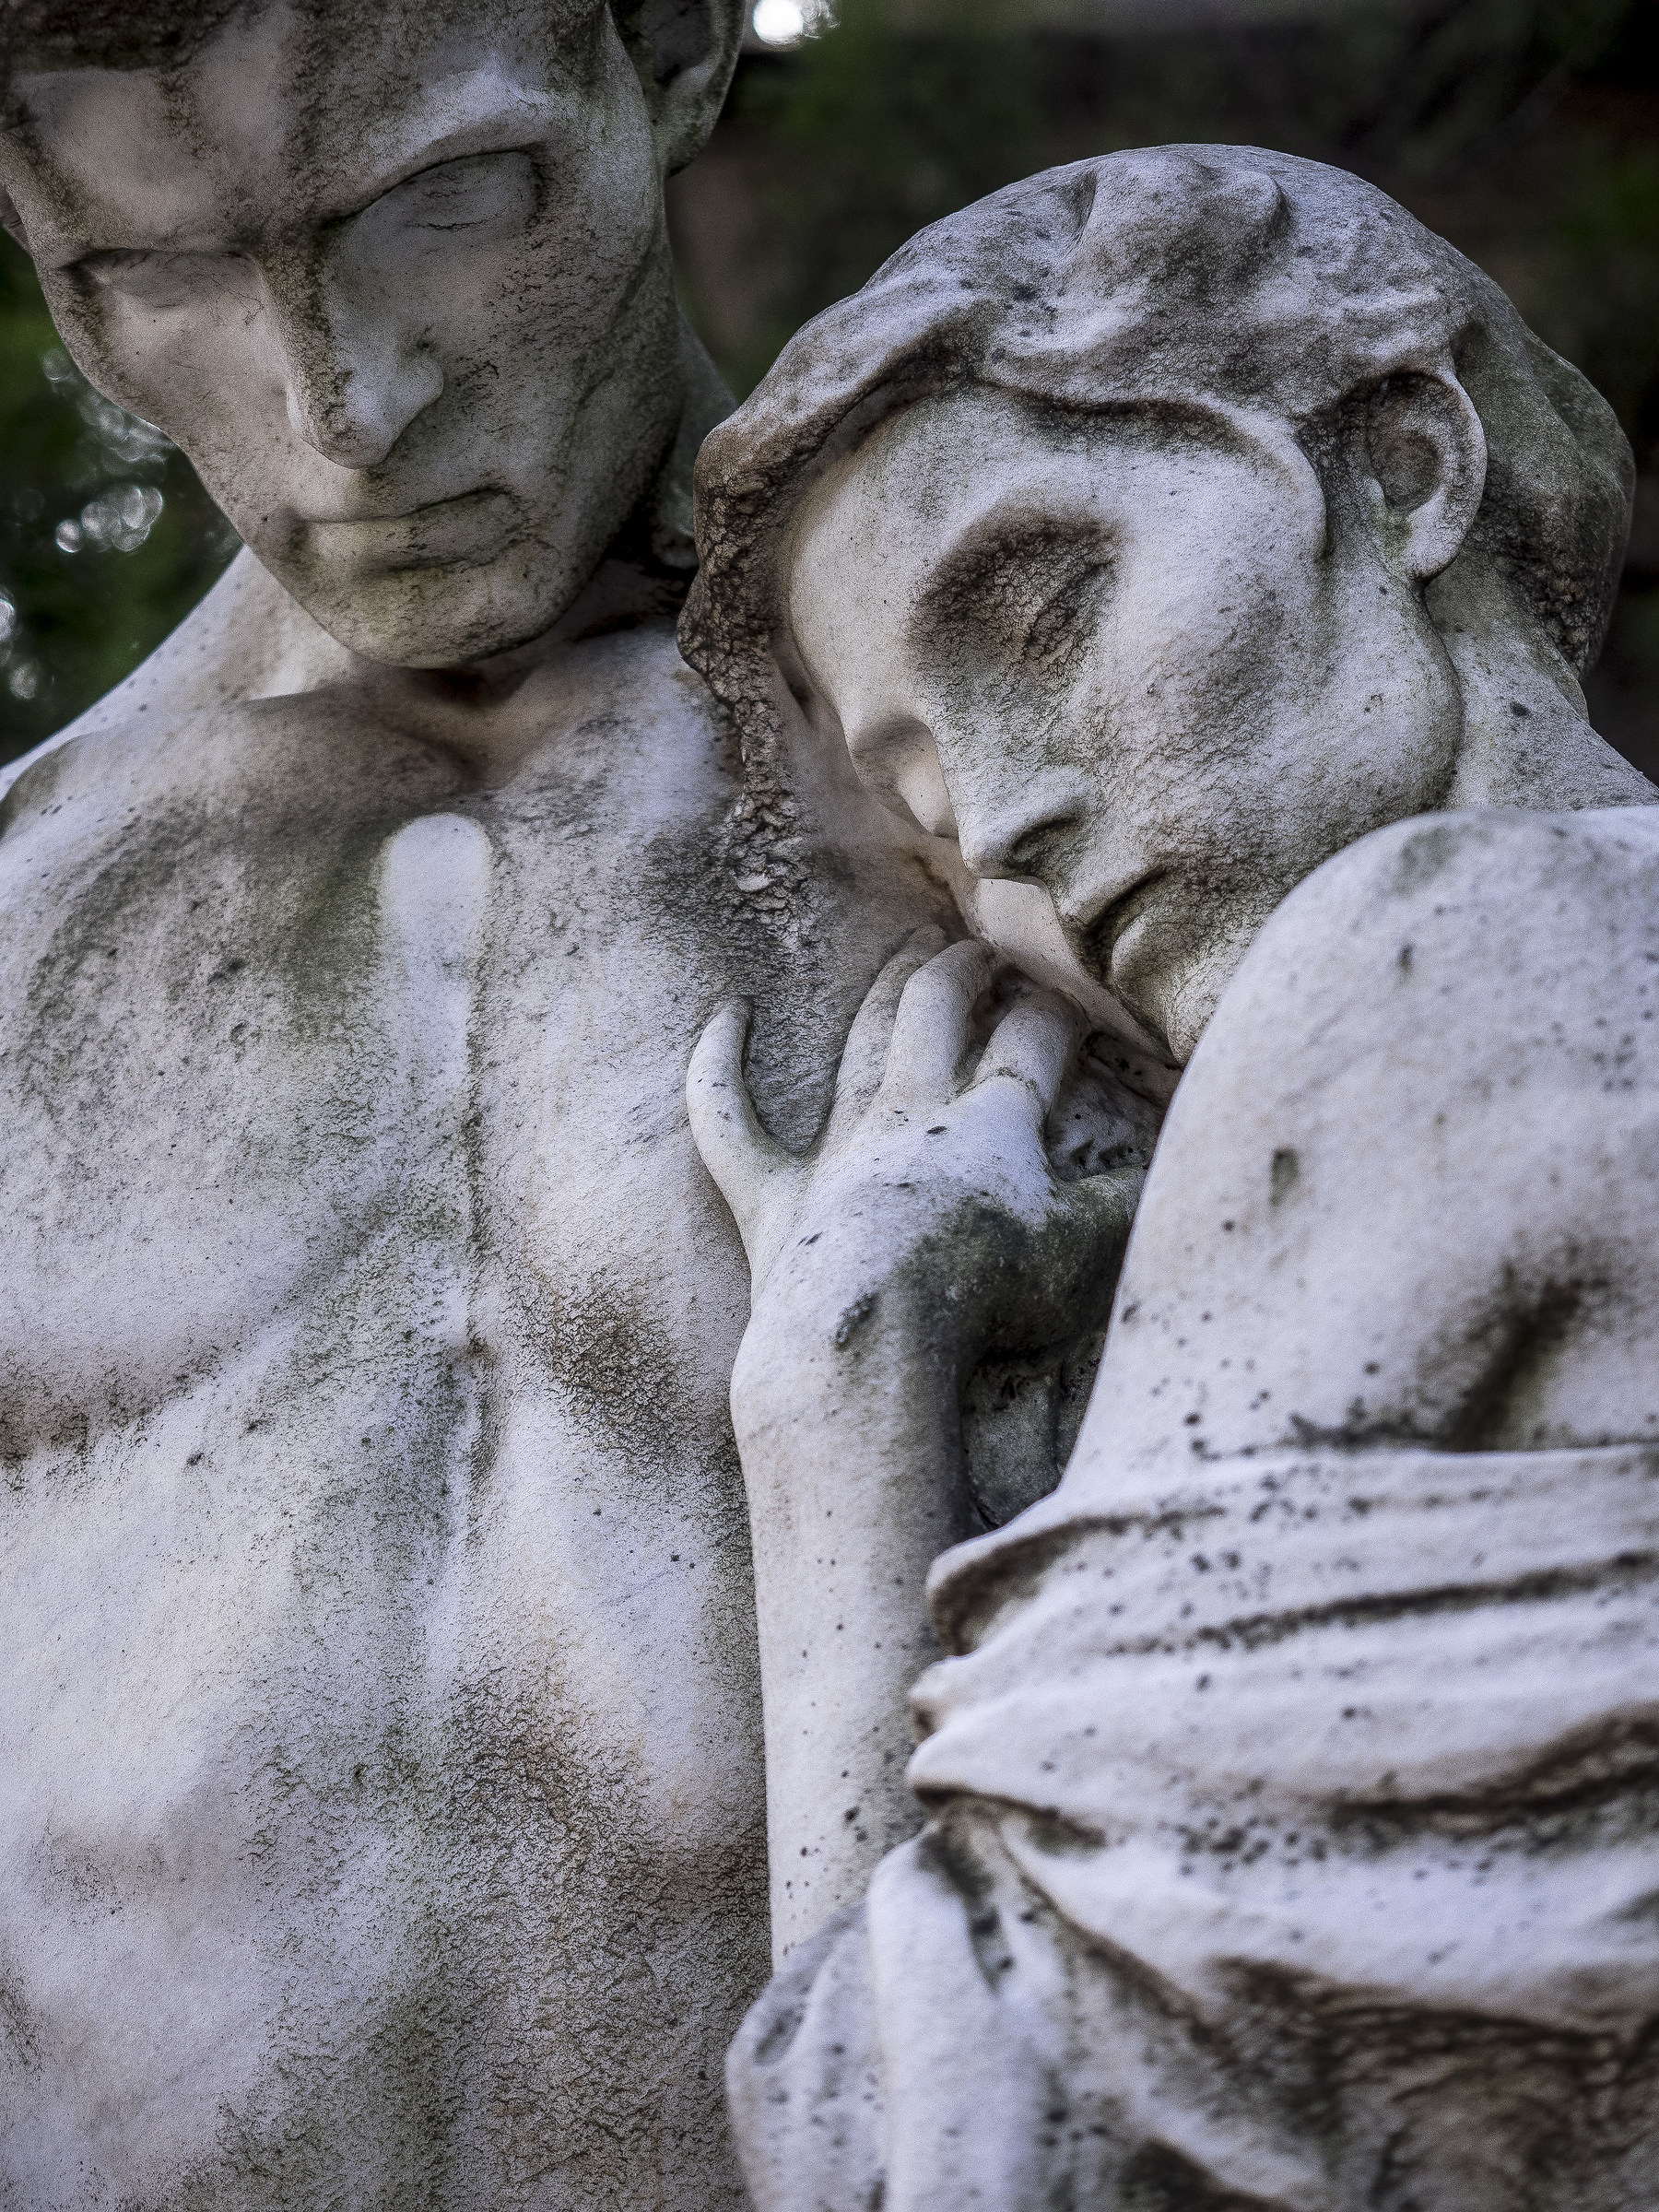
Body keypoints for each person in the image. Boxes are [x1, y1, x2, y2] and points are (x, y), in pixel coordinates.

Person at [0, 3, 958, 2204]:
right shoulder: (29, 924)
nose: (343, 417)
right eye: (153, 278)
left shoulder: (1054, 821)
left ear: (680, 51)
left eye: (448, 208)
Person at [680, 147, 1659, 2208]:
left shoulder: (1443, 956)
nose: (1007, 830)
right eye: (919, 787)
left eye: (1042, 604)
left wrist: (841, 1402)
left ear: (1403, 470)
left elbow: (935, 2139)